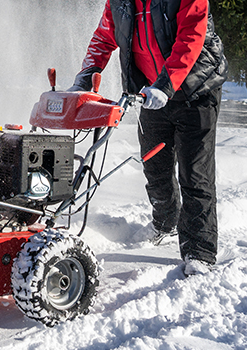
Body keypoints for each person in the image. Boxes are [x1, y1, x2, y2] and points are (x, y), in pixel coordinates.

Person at [69, 0, 227, 275]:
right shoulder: (119, 2)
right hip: (153, 91)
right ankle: (165, 224)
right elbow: (104, 37)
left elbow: (191, 38)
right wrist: (85, 77)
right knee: (155, 166)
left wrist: (166, 85)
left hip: (197, 89)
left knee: (194, 173)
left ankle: (199, 252)